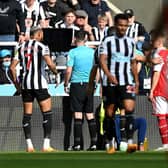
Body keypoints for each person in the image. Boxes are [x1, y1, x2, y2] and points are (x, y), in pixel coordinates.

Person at [10, 26, 58, 152]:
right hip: (40, 84)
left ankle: (29, 146)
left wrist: (17, 86)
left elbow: (11, 68)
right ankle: (46, 145)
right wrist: (56, 72)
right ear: (40, 34)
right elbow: (49, 63)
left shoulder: (20, 47)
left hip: (26, 85)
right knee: (47, 113)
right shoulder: (42, 46)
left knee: (27, 115)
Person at [99, 13, 139, 153]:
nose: (123, 28)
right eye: (120, 26)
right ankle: (109, 142)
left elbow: (133, 62)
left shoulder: (131, 42)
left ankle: (128, 142)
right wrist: (109, 75)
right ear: (116, 26)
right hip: (111, 81)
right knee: (109, 112)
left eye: (125, 26)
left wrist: (137, 80)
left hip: (127, 80)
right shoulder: (108, 41)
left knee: (129, 108)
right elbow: (102, 60)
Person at [64, 30, 97, 151]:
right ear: (86, 38)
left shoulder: (73, 52)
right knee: (89, 114)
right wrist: (95, 82)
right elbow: (96, 69)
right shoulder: (92, 52)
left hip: (77, 84)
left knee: (77, 114)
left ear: (75, 39)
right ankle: (94, 143)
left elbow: (68, 70)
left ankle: (77, 144)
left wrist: (66, 83)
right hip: (89, 84)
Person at [149, 31, 168, 151]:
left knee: (161, 116)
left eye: (153, 40)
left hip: (161, 88)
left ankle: (166, 144)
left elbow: (156, 73)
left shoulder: (158, 53)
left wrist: (151, 90)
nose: (151, 42)